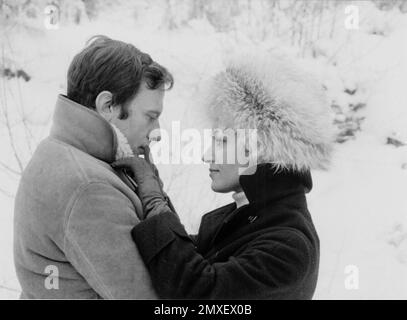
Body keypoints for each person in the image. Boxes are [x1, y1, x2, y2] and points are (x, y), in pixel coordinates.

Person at [113, 52, 335, 299]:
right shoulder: (253, 217)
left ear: (260, 148)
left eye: (221, 141)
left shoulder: (288, 245)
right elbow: (189, 257)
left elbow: (198, 293)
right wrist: (157, 193)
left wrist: (154, 201)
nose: (207, 155)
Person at [13, 35, 173, 299]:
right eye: (150, 117)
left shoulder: (59, 151)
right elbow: (152, 297)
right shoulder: (89, 186)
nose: (156, 133)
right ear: (108, 105)